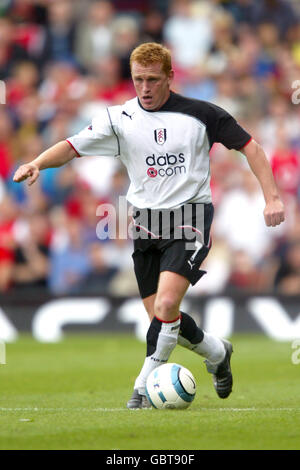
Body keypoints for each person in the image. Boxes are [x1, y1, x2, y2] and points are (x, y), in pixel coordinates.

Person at [13, 42, 285, 409]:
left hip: (190, 218)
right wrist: (37, 163)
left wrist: (272, 198)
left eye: (153, 80)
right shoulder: (119, 118)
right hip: (145, 223)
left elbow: (251, 147)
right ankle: (218, 352)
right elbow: (72, 146)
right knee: (163, 317)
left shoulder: (202, 114)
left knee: (168, 304)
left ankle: (142, 386)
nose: (145, 88)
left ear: (170, 78)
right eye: (138, 79)